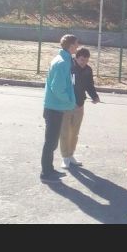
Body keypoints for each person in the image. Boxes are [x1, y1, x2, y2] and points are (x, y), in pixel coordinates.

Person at [40, 34, 79, 184]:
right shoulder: (62, 63)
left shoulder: (63, 60)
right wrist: (69, 100)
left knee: (52, 142)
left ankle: (49, 170)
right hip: (54, 108)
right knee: (50, 142)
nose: (78, 46)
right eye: (76, 44)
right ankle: (46, 173)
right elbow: (57, 88)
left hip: (55, 107)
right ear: (71, 46)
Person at [59, 47, 100, 169]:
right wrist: (66, 100)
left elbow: (89, 85)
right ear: (76, 58)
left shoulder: (88, 70)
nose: (84, 63)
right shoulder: (69, 67)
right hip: (67, 105)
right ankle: (65, 157)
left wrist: (95, 96)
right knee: (65, 132)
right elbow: (63, 85)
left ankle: (71, 155)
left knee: (74, 133)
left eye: (86, 60)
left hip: (80, 105)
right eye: (82, 60)